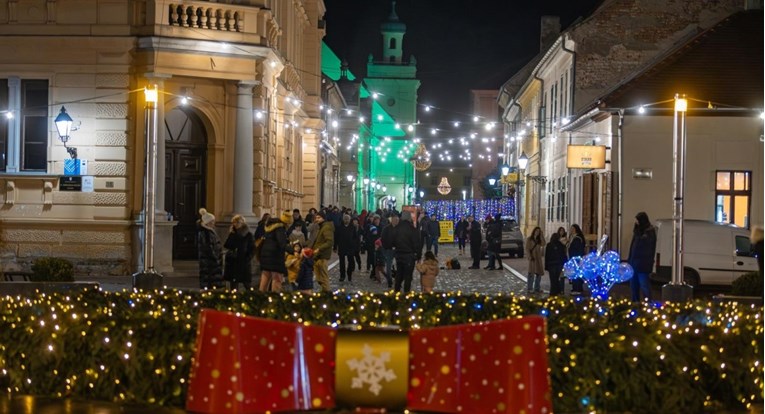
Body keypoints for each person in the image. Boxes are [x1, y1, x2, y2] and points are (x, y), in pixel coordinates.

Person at [258, 211, 291, 292]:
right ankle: (275, 299)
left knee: (265, 278)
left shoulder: (270, 228)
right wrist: (292, 250)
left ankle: (260, 298)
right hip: (275, 257)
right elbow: (282, 243)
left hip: (265, 256)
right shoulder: (280, 229)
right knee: (277, 279)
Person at [627, 212, 657, 302]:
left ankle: (648, 303)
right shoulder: (637, 232)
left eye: (638, 221)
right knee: (633, 285)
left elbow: (647, 248)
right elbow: (632, 247)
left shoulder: (649, 232)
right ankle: (635, 302)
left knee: (644, 285)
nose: (636, 223)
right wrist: (630, 260)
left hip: (643, 264)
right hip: (634, 263)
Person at [391, 210, 421, 293]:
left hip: (399, 254)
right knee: (408, 276)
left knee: (399, 274)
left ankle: (397, 291)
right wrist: (418, 256)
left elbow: (392, 240)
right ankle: (406, 293)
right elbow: (416, 243)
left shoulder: (397, 228)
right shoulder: (412, 228)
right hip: (409, 255)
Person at [223, 214, 254, 290]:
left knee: (247, 284)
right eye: (234, 222)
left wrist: (248, 257)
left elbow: (252, 248)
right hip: (233, 262)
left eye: (237, 222)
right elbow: (226, 245)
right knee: (233, 284)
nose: (235, 224)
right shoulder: (232, 234)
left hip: (243, 261)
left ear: (242, 223)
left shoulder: (248, 235)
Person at [196, 208, 222, 289]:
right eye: (212, 221)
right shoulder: (206, 233)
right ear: (208, 223)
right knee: (209, 281)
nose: (214, 223)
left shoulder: (210, 231)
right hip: (209, 261)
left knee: (210, 282)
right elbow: (208, 247)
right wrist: (215, 258)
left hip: (211, 261)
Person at [312, 211, 335, 292]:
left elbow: (329, 242)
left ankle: (327, 294)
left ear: (323, 218)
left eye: (319, 218)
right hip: (318, 256)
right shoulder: (321, 227)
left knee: (323, 278)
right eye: (316, 218)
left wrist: (319, 249)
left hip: (322, 256)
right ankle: (324, 292)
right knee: (319, 278)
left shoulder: (326, 227)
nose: (317, 219)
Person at [335, 214, 357, 283]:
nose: (346, 220)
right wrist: (335, 246)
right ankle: (342, 275)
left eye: (347, 219)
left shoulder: (352, 227)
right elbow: (336, 237)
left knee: (350, 261)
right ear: (343, 220)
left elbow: (355, 237)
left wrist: (354, 245)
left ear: (350, 220)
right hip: (342, 246)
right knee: (342, 263)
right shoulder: (339, 227)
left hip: (350, 247)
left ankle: (349, 274)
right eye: (345, 219)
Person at [379, 214, 399, 288]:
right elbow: (383, 239)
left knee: (399, 265)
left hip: (398, 250)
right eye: (395, 220)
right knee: (388, 266)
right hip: (389, 250)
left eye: (397, 220)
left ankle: (398, 280)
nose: (396, 221)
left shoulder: (400, 229)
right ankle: (389, 281)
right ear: (392, 220)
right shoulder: (386, 229)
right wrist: (387, 247)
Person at [526, 227, 545, 294]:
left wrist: (542, 236)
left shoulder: (539, 240)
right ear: (534, 231)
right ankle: (529, 288)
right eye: (536, 231)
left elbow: (543, 243)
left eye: (538, 231)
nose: (537, 232)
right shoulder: (529, 239)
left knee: (538, 273)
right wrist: (529, 256)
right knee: (531, 273)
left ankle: (537, 288)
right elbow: (527, 248)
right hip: (532, 258)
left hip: (538, 258)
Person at [568, 224, 586, 295]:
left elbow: (575, 249)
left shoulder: (577, 238)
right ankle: (577, 288)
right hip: (576, 258)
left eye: (573, 229)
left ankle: (577, 289)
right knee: (577, 274)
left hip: (576, 259)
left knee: (575, 274)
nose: (571, 230)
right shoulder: (573, 237)